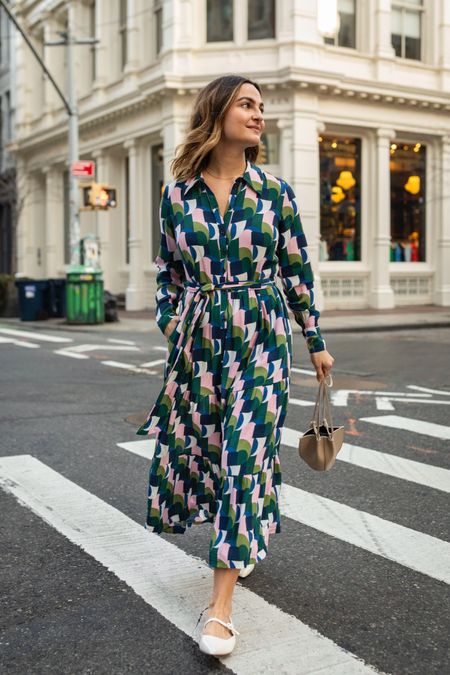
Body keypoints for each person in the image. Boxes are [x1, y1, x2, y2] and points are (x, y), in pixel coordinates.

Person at [137, 74, 334, 657]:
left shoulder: (274, 193)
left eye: (261, 106)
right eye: (247, 104)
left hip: (263, 340)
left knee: (244, 453)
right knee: (219, 455)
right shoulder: (178, 195)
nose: (258, 113)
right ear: (217, 112)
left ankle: (220, 606)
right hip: (199, 345)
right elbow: (168, 275)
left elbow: (297, 271)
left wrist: (314, 339)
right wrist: (173, 324)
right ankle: (249, 532)